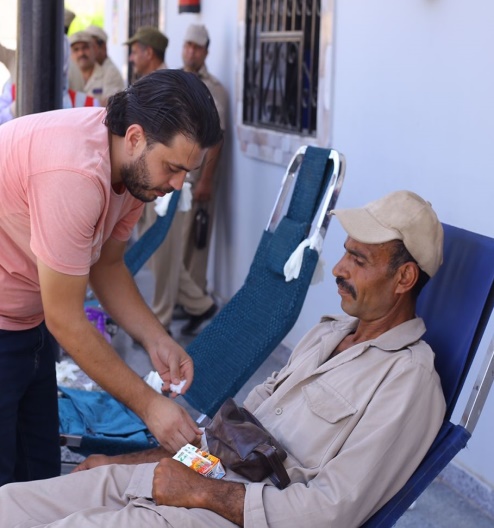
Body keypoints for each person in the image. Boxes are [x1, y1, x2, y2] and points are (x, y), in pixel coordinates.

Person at [0, 190, 447, 526]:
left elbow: (329, 512)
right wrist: (128, 462)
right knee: (12, 505)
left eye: (359, 260)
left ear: (404, 278)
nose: (337, 268)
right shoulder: (328, 334)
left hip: (228, 514)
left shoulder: (407, 381)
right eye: (345, 252)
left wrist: (202, 494)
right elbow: (223, 443)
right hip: (196, 480)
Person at [0, 69, 223, 486]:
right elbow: (66, 320)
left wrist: (157, 340)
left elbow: (108, 266)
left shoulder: (133, 172)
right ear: (135, 137)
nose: (177, 185)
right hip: (12, 323)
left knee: (39, 476)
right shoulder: (77, 175)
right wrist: (150, 406)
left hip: (29, 324)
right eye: (172, 168)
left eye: (186, 174)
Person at [140, 24, 228, 336]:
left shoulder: (213, 89)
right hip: (164, 176)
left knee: (178, 248)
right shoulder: (174, 80)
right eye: (188, 45)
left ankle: (170, 313)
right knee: (159, 245)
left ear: (206, 51)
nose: (191, 51)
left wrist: (205, 182)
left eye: (197, 47)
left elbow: (215, 140)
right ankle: (197, 303)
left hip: (192, 182)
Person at [69, 30, 124, 105]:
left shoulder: (109, 73)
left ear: (94, 49)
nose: (81, 53)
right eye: (76, 49)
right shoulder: (67, 76)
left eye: (85, 48)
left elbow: (112, 105)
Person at [85, 25, 125, 91]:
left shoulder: (112, 73)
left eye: (91, 46)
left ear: (103, 46)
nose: (87, 51)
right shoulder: (88, 68)